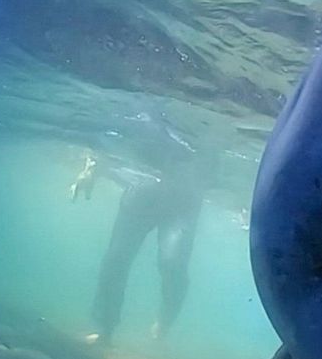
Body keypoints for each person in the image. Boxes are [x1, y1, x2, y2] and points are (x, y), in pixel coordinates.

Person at [74, 133, 218, 346]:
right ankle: (104, 329)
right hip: (142, 191)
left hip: (184, 200)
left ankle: (164, 321)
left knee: (172, 264)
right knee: (116, 259)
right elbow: (107, 134)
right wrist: (90, 170)